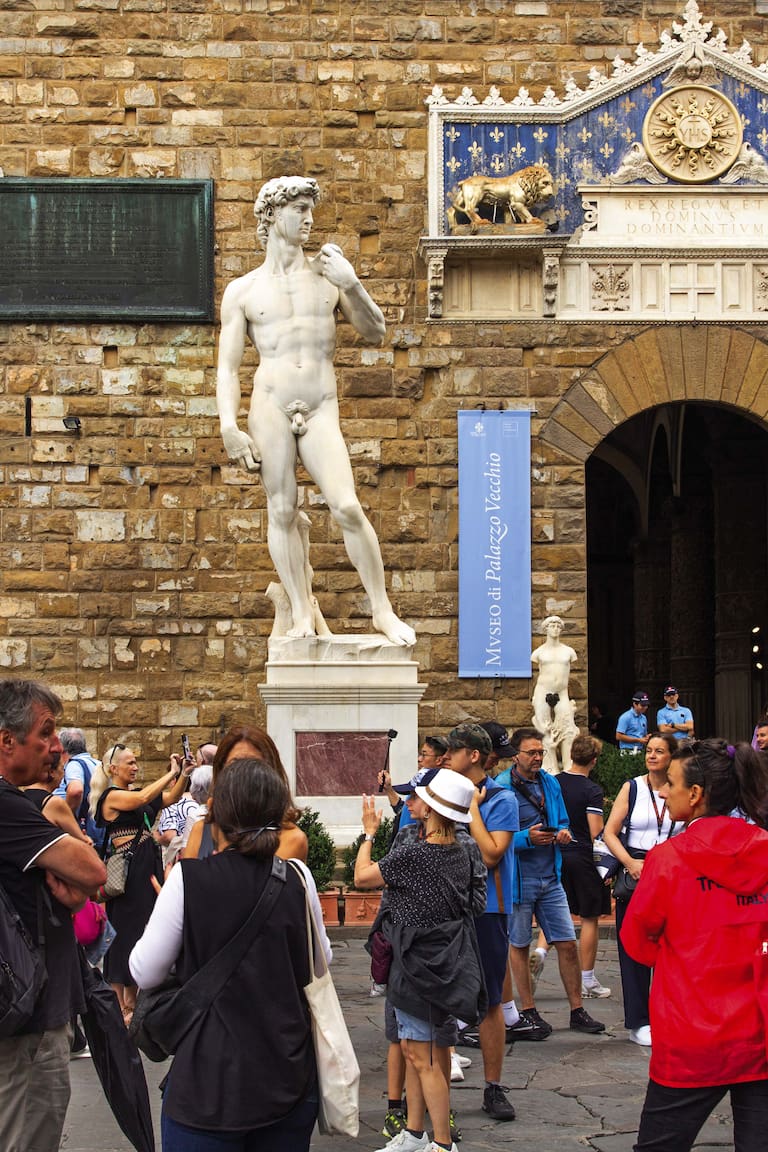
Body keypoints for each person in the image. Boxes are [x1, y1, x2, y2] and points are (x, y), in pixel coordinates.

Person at [215, 174, 415, 647]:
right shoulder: (242, 291)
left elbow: (375, 331)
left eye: (310, 208)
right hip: (270, 404)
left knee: (346, 505)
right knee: (282, 510)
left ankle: (382, 610)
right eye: (298, 209)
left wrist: (354, 284)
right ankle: (302, 613)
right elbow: (227, 368)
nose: (308, 218)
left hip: (321, 406)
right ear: (271, 216)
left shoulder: (329, 276)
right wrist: (228, 425)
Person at [130, 757, 331, 1152]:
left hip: (209, 1082)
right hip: (285, 1074)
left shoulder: (187, 880)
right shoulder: (298, 878)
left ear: (217, 812)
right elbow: (320, 960)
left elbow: (143, 971)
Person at [621, 739, 768, 1152]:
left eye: (669, 782)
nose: (663, 791)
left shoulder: (668, 859)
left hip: (692, 1029)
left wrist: (679, 958)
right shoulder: (763, 848)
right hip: (758, 1029)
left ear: (697, 794)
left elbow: (636, 939)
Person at [0, 678, 106, 1152]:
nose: (55, 746)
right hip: (28, 1023)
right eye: (46, 732)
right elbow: (92, 870)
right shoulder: (9, 807)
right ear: (7, 740)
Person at [355, 769, 483, 1152]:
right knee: (418, 1052)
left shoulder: (414, 853)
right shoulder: (460, 852)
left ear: (431, 809)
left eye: (416, 798)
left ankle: (442, 1144)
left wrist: (368, 834)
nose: (409, 802)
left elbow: (362, 877)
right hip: (442, 961)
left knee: (423, 1057)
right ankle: (413, 1134)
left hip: (416, 964)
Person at [495, 728, 606, 1038]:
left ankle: (577, 1010)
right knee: (519, 945)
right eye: (532, 752)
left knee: (567, 942)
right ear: (516, 754)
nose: (538, 757)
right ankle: (528, 1012)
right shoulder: (502, 788)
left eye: (540, 752)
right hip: (519, 878)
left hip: (551, 876)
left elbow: (564, 820)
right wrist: (525, 838)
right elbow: (494, 840)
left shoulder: (550, 783)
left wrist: (563, 832)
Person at [444, 723, 520, 1121]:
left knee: (491, 999)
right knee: (440, 1000)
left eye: (453, 751)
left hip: (487, 909)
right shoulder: (440, 796)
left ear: (472, 755)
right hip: (445, 908)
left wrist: (472, 809)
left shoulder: (501, 799)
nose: (446, 758)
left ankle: (493, 1087)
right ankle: (435, 1094)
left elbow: (491, 853)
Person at [89, 743, 189, 1024]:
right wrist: (170, 773)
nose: (135, 767)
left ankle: (131, 997)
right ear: (113, 768)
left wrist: (182, 774)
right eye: (130, 762)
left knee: (142, 927)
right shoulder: (111, 797)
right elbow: (147, 795)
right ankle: (121, 1002)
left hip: (146, 869)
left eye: (136, 762)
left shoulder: (135, 796)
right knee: (125, 931)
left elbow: (168, 798)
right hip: (128, 874)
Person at [602, 732, 681, 1046]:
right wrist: (629, 863)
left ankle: (668, 1014)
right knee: (633, 947)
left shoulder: (679, 788)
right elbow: (610, 832)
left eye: (659, 751)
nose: (651, 756)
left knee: (671, 947)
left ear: (671, 756)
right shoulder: (632, 787)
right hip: (636, 868)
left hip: (672, 869)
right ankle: (638, 1020)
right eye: (649, 750)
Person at [182, 724, 308, 863]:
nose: (244, 774)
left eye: (254, 765)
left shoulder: (291, 839)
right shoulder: (201, 830)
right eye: (235, 765)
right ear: (220, 771)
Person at [556, 734, 612, 997]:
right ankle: (587, 979)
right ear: (594, 760)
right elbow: (596, 832)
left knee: (556, 910)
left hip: (556, 853)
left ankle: (542, 952)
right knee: (590, 917)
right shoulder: (591, 790)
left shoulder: (554, 782)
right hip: (582, 856)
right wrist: (606, 867)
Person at [531, 615, 579, 774]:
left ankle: (568, 765)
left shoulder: (568, 652)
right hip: (543, 691)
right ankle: (550, 766)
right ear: (546, 629)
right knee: (543, 727)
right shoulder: (539, 653)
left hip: (562, 693)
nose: (555, 629)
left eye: (558, 626)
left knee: (567, 726)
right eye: (552, 626)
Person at [54, 726, 103, 846]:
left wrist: (66, 818)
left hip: (82, 836)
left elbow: (75, 791)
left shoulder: (74, 765)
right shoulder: (100, 765)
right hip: (101, 834)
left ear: (62, 749)